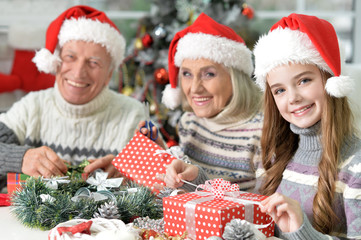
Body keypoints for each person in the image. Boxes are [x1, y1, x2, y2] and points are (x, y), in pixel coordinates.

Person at [0, 5, 145, 182]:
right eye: (70, 57)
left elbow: (162, 179)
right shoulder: (30, 107)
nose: (78, 73)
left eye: (93, 62)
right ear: (56, 61)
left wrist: (131, 173)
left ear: (109, 75)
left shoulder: (133, 116)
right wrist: (20, 158)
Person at [253, 13, 361, 239]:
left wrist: (304, 231)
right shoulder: (276, 156)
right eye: (279, 90)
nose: (292, 98)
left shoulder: (355, 166)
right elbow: (253, 220)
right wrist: (196, 182)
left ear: (330, 81)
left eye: (303, 80)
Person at [143, 13, 263, 192]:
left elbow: (265, 208)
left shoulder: (262, 132)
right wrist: (160, 153)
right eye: (186, 74)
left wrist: (199, 179)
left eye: (209, 74)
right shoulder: (190, 122)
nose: (195, 88)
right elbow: (187, 187)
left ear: (235, 78)